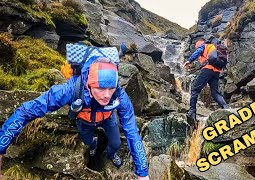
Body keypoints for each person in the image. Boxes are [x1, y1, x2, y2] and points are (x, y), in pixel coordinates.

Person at [0, 57, 149, 179]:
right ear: (89, 85)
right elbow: (26, 111)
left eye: (111, 88)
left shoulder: (120, 95)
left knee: (116, 143)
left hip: (107, 118)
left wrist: (143, 172)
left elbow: (132, 132)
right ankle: (93, 145)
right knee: (88, 141)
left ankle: (110, 154)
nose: (107, 95)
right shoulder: (71, 89)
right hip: (84, 121)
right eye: (100, 88)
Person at [184, 38, 229, 126]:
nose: (197, 47)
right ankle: (226, 109)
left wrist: (189, 60)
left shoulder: (204, 46)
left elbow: (197, 53)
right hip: (216, 71)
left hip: (207, 69)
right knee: (215, 93)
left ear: (199, 43)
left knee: (195, 90)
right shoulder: (214, 46)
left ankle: (192, 113)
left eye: (197, 46)